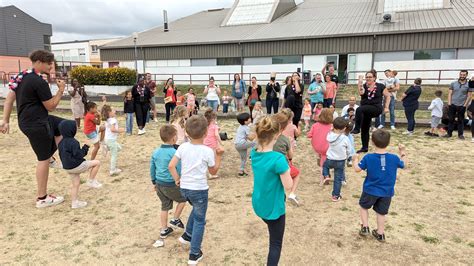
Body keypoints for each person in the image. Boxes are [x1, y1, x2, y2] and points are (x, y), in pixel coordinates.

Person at [1, 50, 66, 208]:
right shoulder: (39, 82)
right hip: (37, 124)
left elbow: (9, 100)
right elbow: (50, 106)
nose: (51, 67)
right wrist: (61, 90)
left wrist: (5, 121)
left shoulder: (21, 76)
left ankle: (50, 157)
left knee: (63, 126)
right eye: (49, 63)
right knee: (42, 159)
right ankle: (42, 198)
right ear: (40, 62)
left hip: (26, 122)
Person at [168, 115, 224, 265]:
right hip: (199, 190)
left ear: (186, 132)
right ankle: (194, 254)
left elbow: (171, 165)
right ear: (206, 133)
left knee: (196, 208)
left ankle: (187, 235)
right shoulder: (207, 151)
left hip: (185, 188)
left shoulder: (183, 147)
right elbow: (213, 172)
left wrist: (177, 179)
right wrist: (219, 156)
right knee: (200, 220)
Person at [251, 116, 293, 266]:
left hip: (259, 202)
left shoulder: (254, 153)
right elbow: (288, 186)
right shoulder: (278, 159)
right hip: (274, 208)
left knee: (271, 229)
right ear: (276, 135)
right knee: (275, 243)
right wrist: (287, 169)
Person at [353, 130, 407, 242]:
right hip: (387, 192)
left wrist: (355, 160)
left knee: (363, 207)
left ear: (372, 142)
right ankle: (380, 233)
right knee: (381, 213)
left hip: (370, 190)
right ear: (388, 142)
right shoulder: (394, 158)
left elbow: (357, 169)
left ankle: (365, 227)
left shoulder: (368, 158)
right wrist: (402, 152)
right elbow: (404, 165)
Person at [150, 125, 187, 247]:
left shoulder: (156, 152)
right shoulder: (174, 152)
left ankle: (164, 229)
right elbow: (178, 167)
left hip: (159, 184)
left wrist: (154, 181)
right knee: (183, 199)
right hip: (171, 183)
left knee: (164, 207)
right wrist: (180, 179)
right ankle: (175, 219)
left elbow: (152, 168)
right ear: (173, 138)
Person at [58, 120, 102, 209]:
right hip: (76, 165)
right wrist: (85, 148)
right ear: (72, 130)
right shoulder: (73, 142)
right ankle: (91, 181)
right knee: (97, 163)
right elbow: (80, 155)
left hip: (67, 167)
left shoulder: (60, 143)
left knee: (76, 184)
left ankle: (74, 203)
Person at [351, 70, 391, 153]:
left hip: (376, 108)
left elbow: (388, 96)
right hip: (365, 110)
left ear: (374, 78)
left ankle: (356, 128)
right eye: (367, 77)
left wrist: (386, 107)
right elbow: (360, 92)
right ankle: (364, 147)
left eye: (370, 77)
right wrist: (360, 81)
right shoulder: (364, 86)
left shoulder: (380, 86)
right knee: (365, 128)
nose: (368, 78)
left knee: (358, 109)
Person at [273, 112, 300, 206]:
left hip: (268, 164)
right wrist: (290, 157)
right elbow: (290, 155)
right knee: (296, 174)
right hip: (282, 164)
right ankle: (292, 193)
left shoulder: (266, 137)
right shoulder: (284, 139)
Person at [322, 118, 351, 202]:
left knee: (325, 166)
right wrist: (348, 156)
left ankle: (326, 175)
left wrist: (332, 129)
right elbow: (349, 150)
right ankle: (335, 196)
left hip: (330, 158)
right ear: (345, 128)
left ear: (333, 126)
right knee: (338, 178)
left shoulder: (329, 136)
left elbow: (329, 134)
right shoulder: (345, 138)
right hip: (341, 161)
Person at [307, 109, 336, 186]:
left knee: (322, 160)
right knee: (325, 160)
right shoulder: (332, 126)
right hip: (328, 147)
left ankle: (322, 178)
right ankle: (325, 176)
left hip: (317, 146)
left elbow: (309, 135)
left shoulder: (315, 125)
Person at [445, 70, 473, 140]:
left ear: (466, 75)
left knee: (461, 120)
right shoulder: (453, 83)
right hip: (453, 104)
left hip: (462, 106)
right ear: (459, 74)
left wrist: (464, 106)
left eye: (464, 75)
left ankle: (460, 135)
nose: (462, 76)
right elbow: (450, 94)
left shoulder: (469, 85)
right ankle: (449, 134)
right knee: (451, 120)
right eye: (461, 74)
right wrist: (449, 103)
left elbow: (469, 96)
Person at [101, 105, 125, 176]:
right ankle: (113, 170)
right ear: (109, 112)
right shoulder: (113, 120)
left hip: (108, 140)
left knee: (119, 148)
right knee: (114, 155)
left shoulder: (107, 119)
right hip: (111, 140)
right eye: (113, 110)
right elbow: (112, 129)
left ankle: (107, 148)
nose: (115, 111)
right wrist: (121, 130)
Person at [203, 108, 223, 178]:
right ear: (213, 119)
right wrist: (221, 143)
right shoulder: (215, 126)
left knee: (205, 159)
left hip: (204, 144)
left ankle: (205, 173)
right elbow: (217, 135)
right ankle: (211, 173)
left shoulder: (205, 125)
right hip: (212, 145)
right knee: (212, 159)